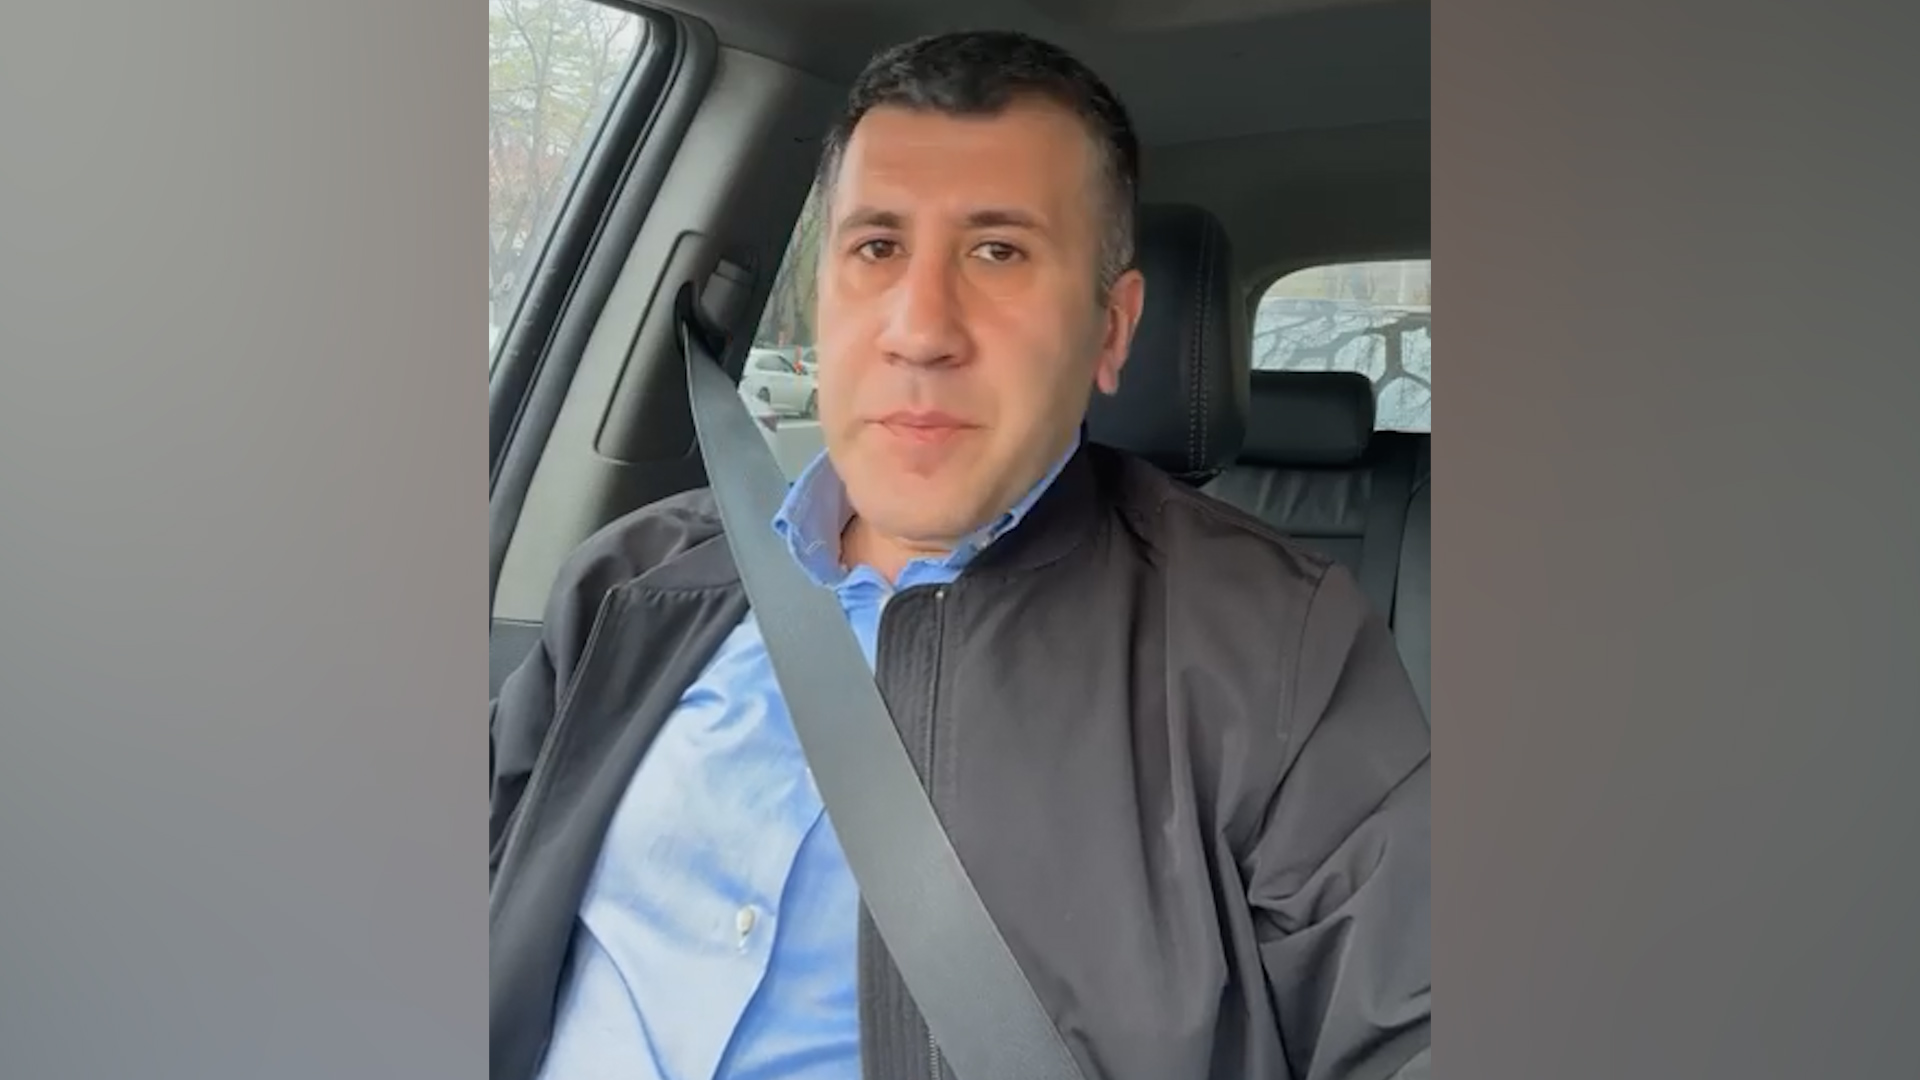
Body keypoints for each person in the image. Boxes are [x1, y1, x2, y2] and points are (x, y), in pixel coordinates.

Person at [491, 29, 1430, 1080]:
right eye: (876, 248)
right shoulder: (632, 583)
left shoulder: (1278, 653)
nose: (921, 328)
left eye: (998, 252)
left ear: (1111, 330)